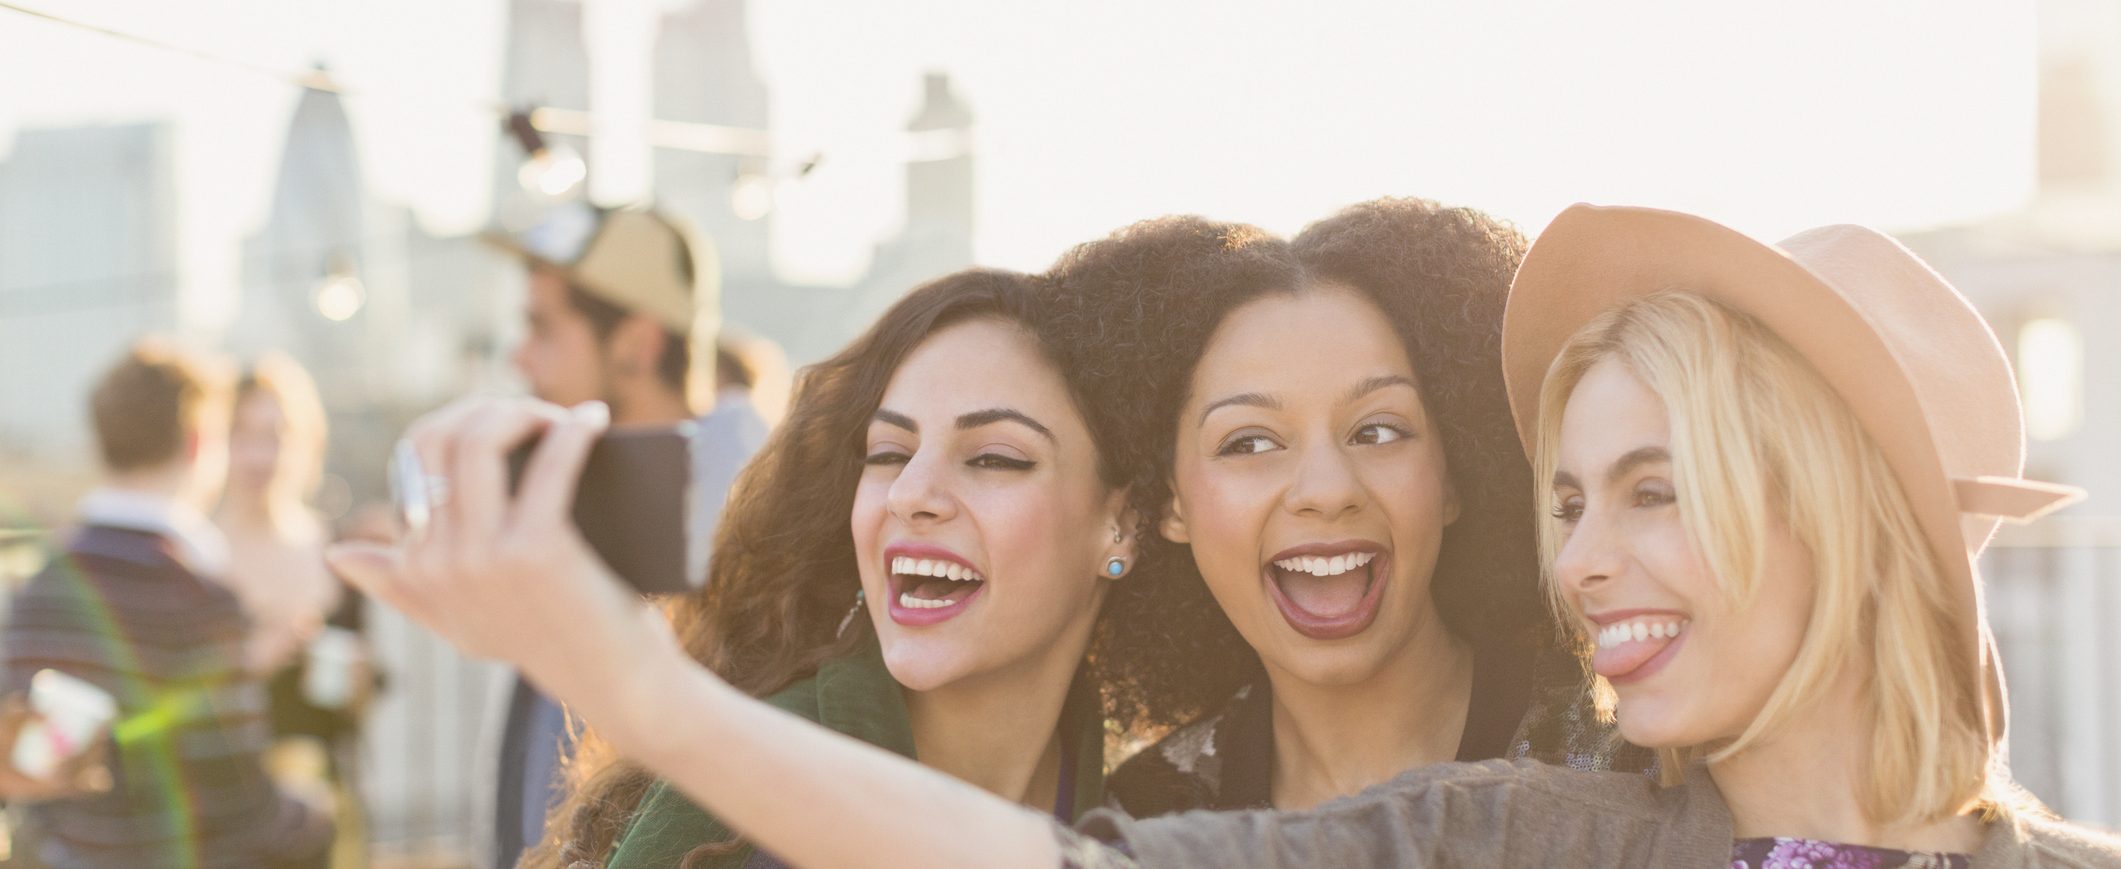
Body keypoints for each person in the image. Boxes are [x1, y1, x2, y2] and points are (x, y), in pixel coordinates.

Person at [327, 205, 2121, 867]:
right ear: (1164, 507)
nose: (1587, 555)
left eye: (1652, 488)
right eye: (1573, 495)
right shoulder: (1518, 833)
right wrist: (640, 679)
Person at [459, 268, 1150, 868]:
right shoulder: (725, 819)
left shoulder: (1159, 808)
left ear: (1123, 521)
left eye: (995, 456)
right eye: (886, 452)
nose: (909, 492)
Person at [1045, 200, 1645, 819]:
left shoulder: (1635, 765)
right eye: (1248, 442)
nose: (1328, 490)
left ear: (1453, 475)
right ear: (1169, 502)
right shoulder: (1145, 822)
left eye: (1379, 431)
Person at [1, 340, 334, 869]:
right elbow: (241, 811)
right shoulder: (204, 600)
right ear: (201, 443)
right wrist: (315, 815)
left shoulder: (36, 589)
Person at [484, 203, 719, 868]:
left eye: (542, 326)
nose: (519, 355)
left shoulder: (747, 543)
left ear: (637, 346)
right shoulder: (570, 516)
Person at [214, 354, 371, 869]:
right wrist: (253, 660)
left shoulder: (337, 552)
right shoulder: (193, 555)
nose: (260, 454)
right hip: (220, 821)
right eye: (242, 434)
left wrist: (359, 688)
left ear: (306, 444)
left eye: (276, 435)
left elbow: (351, 713)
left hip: (321, 820)